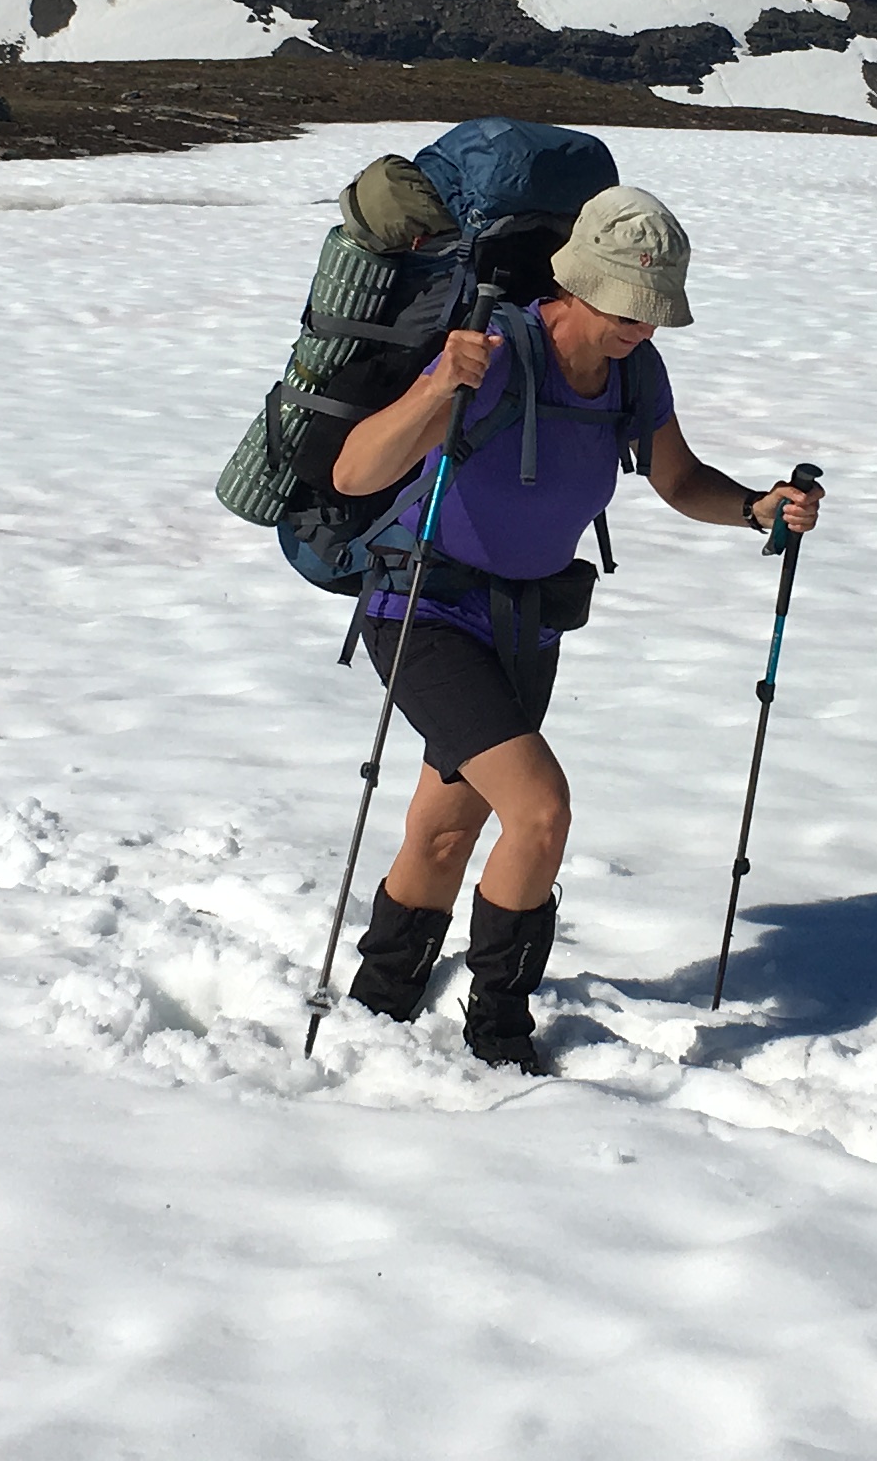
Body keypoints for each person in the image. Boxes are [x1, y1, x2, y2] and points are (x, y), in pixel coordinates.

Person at [325, 181, 821, 1072]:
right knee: (540, 811)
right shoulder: (494, 354)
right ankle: (499, 1039)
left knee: (446, 831)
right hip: (425, 608)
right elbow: (358, 473)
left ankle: (380, 1004)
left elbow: (676, 480)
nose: (643, 325)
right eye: (630, 307)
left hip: (529, 623)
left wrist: (755, 507)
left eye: (655, 311)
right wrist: (441, 388)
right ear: (578, 281)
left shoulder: (636, 373)